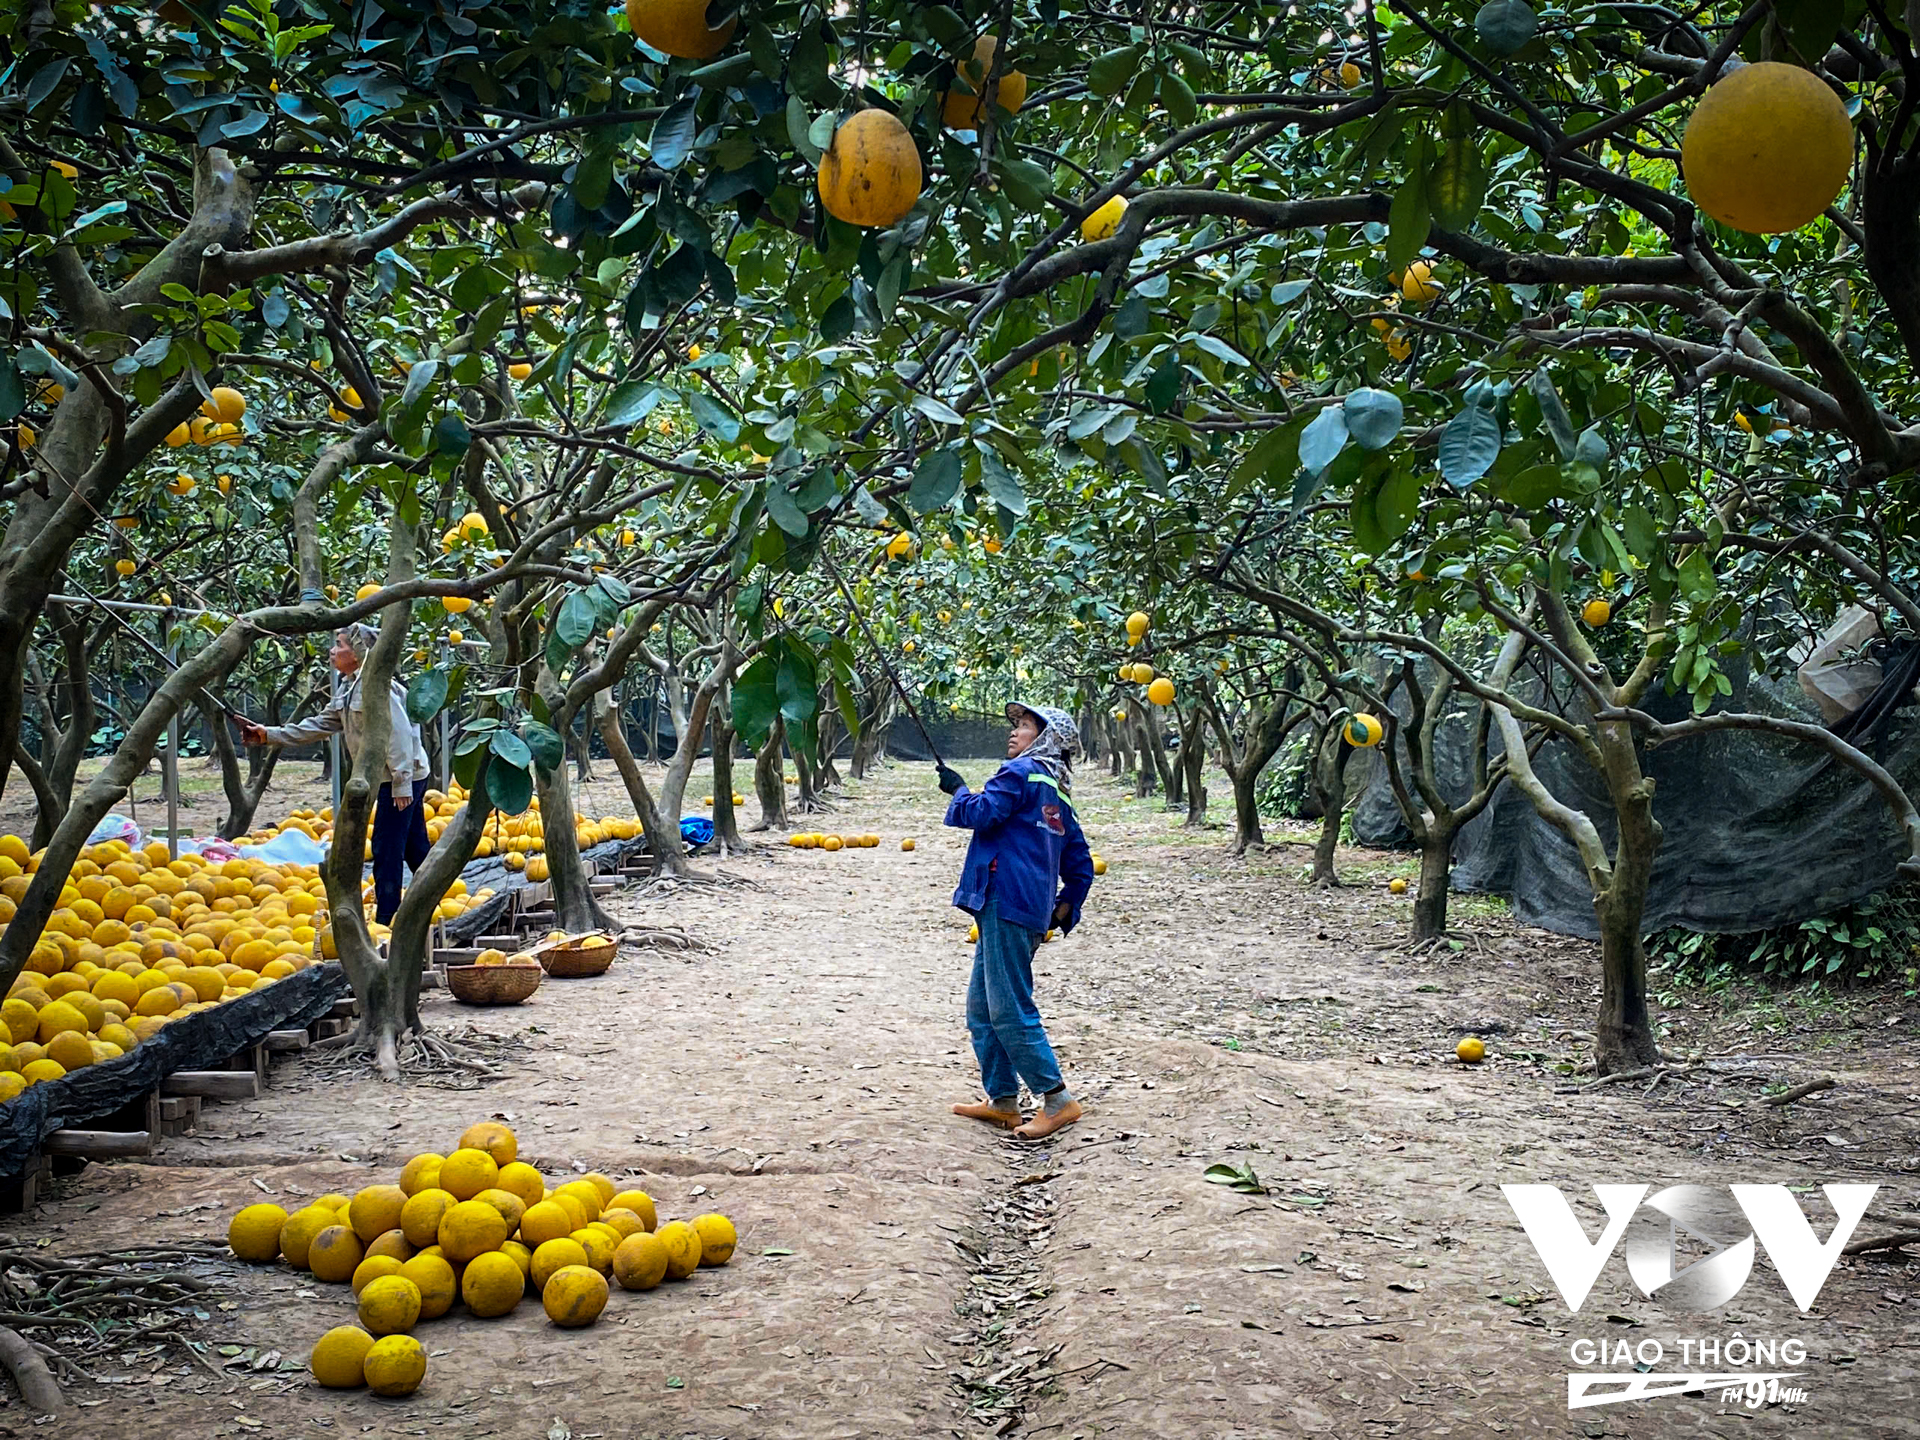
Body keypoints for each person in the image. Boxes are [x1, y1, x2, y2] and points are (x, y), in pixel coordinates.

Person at [938, 701, 1095, 1139]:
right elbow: (1081, 867)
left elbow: (982, 813)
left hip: (1003, 899)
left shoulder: (1019, 773)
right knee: (982, 1008)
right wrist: (1056, 913)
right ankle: (1003, 1101)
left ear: (1045, 740)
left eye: (1024, 727)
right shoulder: (1059, 793)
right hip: (1021, 909)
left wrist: (958, 790)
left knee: (1007, 1009)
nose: (1014, 734)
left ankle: (1057, 1099)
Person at [239, 624, 432, 924]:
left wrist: (401, 784)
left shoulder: (376, 686)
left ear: (358, 655)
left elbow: (400, 736)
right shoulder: (349, 686)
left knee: (386, 847)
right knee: (413, 845)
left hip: (398, 777)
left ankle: (388, 921)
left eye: (340, 644)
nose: (332, 650)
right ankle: (433, 899)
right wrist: (268, 735)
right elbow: (321, 724)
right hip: (391, 777)